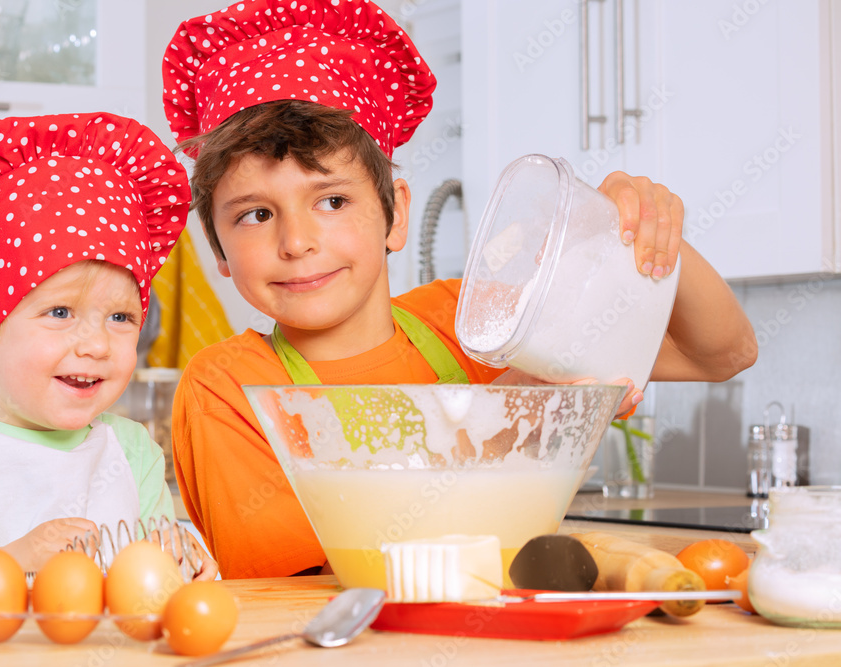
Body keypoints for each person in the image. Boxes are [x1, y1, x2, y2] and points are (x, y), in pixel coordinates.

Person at [162, 0, 758, 579]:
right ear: (217, 246)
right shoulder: (227, 388)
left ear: (395, 214)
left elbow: (723, 354)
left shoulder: (472, 322)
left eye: (333, 200)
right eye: (255, 216)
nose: (296, 241)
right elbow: (330, 571)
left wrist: (640, 232)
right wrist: (516, 404)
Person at [0, 112, 217, 578]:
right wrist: (12, 561)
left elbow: (152, 587)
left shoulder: (133, 452)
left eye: (120, 317)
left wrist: (184, 564)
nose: (95, 345)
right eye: (60, 312)